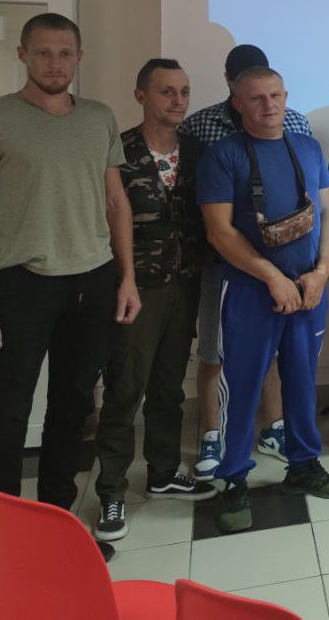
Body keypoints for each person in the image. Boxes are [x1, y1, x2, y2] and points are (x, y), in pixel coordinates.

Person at [0, 12, 139, 561]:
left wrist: (126, 276)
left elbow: (116, 202)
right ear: (23, 55)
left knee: (73, 406)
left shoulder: (99, 117)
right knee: (7, 409)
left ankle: (56, 523)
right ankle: (4, 533)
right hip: (24, 282)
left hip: (94, 279)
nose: (55, 64)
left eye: (65, 53)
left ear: (79, 57)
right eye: (43, 53)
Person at [198, 66, 329, 533]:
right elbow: (219, 232)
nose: (270, 105)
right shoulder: (223, 155)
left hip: (308, 290)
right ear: (237, 102)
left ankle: (303, 465)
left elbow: (328, 211)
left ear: (286, 96)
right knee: (241, 386)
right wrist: (271, 278)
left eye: (276, 95)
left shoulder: (306, 146)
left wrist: (321, 272)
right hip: (249, 292)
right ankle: (234, 479)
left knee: (302, 381)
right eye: (257, 98)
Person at [93, 60, 215, 544]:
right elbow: (103, 216)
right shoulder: (117, 151)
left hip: (185, 286)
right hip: (135, 290)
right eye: (166, 91)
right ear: (141, 95)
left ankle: (163, 472)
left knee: (168, 388)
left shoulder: (199, 153)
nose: (178, 100)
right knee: (125, 390)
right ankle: (111, 491)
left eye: (184, 91)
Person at [181, 43, 309, 479]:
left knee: (271, 353)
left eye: (272, 93)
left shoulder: (296, 125)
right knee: (215, 351)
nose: (266, 104)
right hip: (223, 263)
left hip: (286, 267)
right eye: (250, 91)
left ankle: (274, 428)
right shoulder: (201, 126)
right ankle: (212, 435)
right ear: (231, 86)